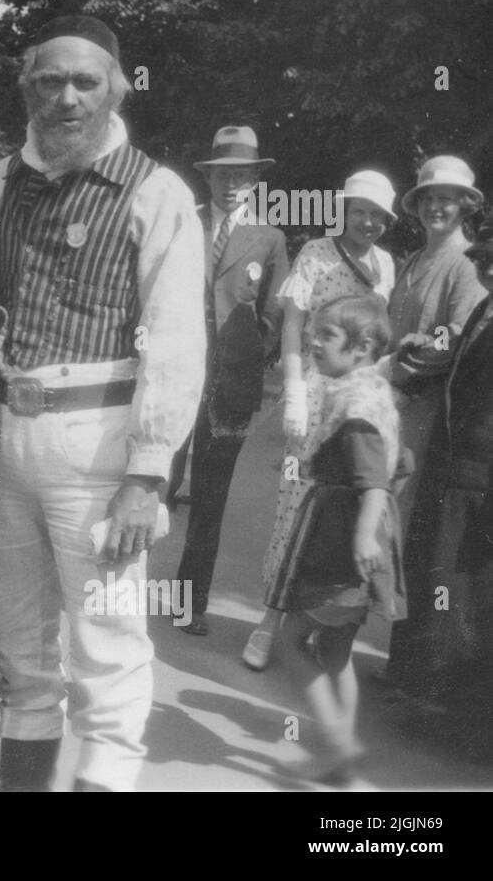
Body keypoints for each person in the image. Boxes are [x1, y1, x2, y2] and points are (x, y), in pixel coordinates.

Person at [0, 15, 206, 791]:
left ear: (117, 88)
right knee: (18, 643)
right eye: (49, 81)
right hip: (6, 438)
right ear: (26, 88)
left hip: (100, 444)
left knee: (105, 640)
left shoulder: (158, 192)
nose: (67, 99)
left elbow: (174, 340)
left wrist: (148, 474)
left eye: (85, 82)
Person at [243, 170, 397, 671]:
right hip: (314, 396)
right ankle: (268, 623)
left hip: (359, 401)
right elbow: (292, 328)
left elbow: (376, 342)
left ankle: (318, 626)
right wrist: (293, 392)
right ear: (344, 210)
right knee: (296, 509)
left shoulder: (386, 265)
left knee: (341, 519)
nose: (368, 222)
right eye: (360, 211)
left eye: (378, 215)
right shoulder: (316, 254)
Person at [270, 294, 405, 785]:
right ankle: (341, 760)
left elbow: (372, 481)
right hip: (353, 538)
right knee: (336, 651)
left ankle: (339, 744)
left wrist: (366, 532)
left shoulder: (355, 409)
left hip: (340, 544)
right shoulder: (372, 392)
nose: (312, 339)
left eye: (326, 334)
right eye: (314, 331)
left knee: (288, 642)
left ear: (362, 345)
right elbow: (400, 464)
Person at [172, 126, 287, 636]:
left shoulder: (269, 238)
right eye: (223, 175)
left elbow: (274, 316)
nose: (232, 184)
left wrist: (243, 360)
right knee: (151, 484)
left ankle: (188, 603)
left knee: (209, 502)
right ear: (209, 178)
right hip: (172, 379)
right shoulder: (181, 223)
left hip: (228, 391)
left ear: (255, 180)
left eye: (242, 175)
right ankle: (115, 591)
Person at [383, 157, 487, 691]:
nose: (437, 207)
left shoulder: (465, 265)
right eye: (428, 199)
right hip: (390, 403)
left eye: (448, 199)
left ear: (466, 206)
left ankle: (408, 664)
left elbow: (453, 339)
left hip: (423, 412)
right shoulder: (414, 259)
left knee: (402, 528)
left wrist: (394, 370)